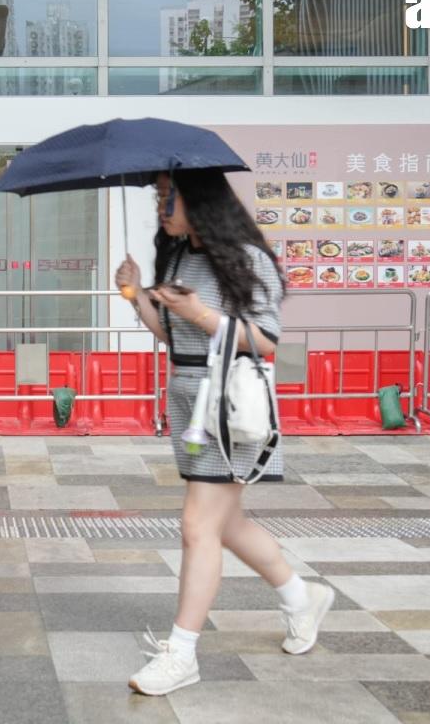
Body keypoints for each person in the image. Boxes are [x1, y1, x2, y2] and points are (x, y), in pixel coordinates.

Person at [115, 168, 333, 697]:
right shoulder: (178, 255)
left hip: (229, 406)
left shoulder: (246, 257)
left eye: (170, 195)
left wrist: (201, 312)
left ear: (203, 200)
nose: (161, 205)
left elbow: (265, 340)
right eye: (158, 196)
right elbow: (172, 332)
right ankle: (301, 597)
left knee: (197, 526)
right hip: (189, 400)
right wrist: (134, 293)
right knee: (224, 523)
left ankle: (182, 652)